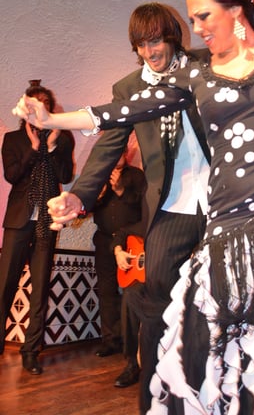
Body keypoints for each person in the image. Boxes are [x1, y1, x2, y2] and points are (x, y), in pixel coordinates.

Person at [13, 2, 254, 412]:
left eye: (156, 40)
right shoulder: (128, 89)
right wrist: (79, 195)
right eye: (141, 44)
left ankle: (233, 396)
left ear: (174, 36)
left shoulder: (206, 64)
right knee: (156, 306)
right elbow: (107, 145)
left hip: (227, 206)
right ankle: (154, 401)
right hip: (170, 210)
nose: (150, 50)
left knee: (236, 304)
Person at [0, 81, 74, 375]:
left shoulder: (63, 138)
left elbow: (65, 176)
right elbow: (12, 176)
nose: (39, 109)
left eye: (45, 104)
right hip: (18, 221)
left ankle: (31, 351)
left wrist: (53, 146)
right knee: (4, 284)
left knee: (40, 287)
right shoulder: (13, 140)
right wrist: (33, 149)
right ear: (26, 108)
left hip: (47, 220)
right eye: (34, 104)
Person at [92, 150, 146, 388]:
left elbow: (142, 206)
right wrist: (99, 195)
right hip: (105, 240)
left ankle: (129, 344)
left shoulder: (137, 176)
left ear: (126, 153)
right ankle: (110, 340)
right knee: (106, 291)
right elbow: (89, 207)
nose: (117, 155)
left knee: (130, 292)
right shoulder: (100, 175)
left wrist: (121, 191)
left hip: (132, 242)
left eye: (121, 151)